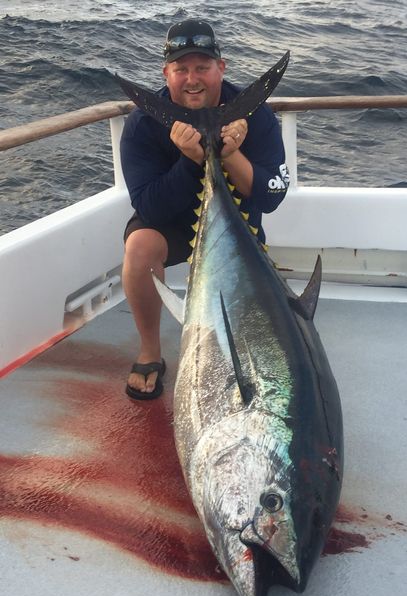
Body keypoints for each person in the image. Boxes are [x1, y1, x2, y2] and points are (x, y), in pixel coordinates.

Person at [120, 18, 289, 400]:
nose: (192, 79)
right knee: (139, 248)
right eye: (181, 69)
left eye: (202, 67)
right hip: (173, 227)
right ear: (166, 73)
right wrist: (191, 160)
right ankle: (150, 352)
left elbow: (272, 197)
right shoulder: (145, 123)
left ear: (221, 67)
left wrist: (230, 154)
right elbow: (148, 206)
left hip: (236, 233)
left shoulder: (255, 115)